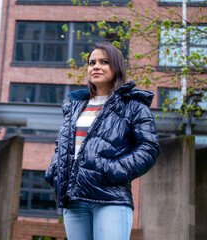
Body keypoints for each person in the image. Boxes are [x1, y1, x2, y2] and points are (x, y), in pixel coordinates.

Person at [45, 42, 160, 240]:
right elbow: (62, 145)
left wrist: (113, 170)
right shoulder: (74, 106)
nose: (96, 66)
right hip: (74, 199)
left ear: (116, 67)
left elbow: (148, 148)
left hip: (110, 198)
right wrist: (55, 171)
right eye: (92, 63)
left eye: (104, 62)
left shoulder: (133, 106)